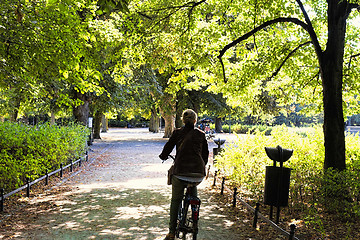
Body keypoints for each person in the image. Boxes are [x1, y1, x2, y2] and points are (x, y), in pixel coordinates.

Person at [159, 109, 209, 240]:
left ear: (182, 120)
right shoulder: (201, 134)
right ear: (195, 121)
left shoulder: (177, 133)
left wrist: (163, 156)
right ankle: (194, 214)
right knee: (193, 185)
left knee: (175, 200)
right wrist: (201, 166)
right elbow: (205, 155)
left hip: (180, 172)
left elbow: (168, 148)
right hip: (198, 174)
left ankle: (171, 232)